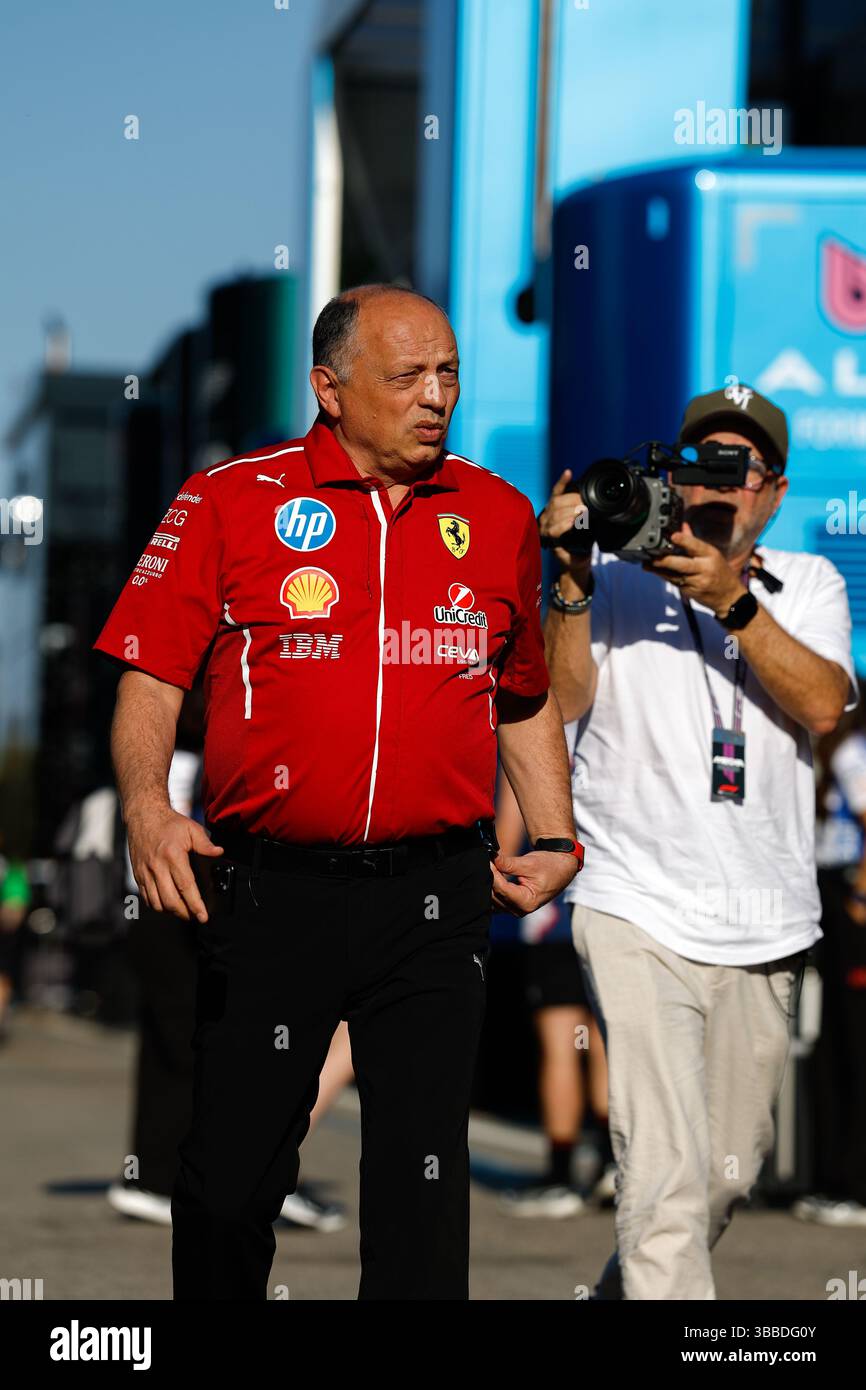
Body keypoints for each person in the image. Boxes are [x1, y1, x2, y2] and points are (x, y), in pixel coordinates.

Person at [94, 284, 581, 1301]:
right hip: (269, 889)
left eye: (447, 371)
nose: (435, 394)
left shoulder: (493, 515)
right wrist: (146, 805)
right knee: (230, 1179)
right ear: (328, 387)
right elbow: (151, 672)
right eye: (407, 375)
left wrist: (554, 833)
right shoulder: (228, 499)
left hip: (435, 893)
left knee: (418, 1183)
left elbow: (523, 693)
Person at [540, 383, 855, 1300]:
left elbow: (826, 704)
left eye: (739, 468)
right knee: (667, 1172)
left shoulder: (810, 584)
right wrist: (567, 584)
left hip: (766, 919)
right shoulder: (611, 580)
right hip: (634, 899)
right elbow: (561, 706)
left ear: (776, 490)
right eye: (698, 465)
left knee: (725, 1173)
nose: (717, 487)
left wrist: (734, 602)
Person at [495, 749, 611, 1219]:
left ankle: (561, 1175)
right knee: (607, 1041)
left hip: (555, 914)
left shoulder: (530, 738)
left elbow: (504, 833)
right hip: (615, 906)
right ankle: (610, 1165)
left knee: (561, 1045)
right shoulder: (614, 731)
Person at [793, 686, 866, 1227]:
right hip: (826, 899)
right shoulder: (832, 751)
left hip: (848, 906)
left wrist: (862, 892)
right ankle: (833, 1177)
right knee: (830, 1041)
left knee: (850, 1041)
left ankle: (850, 1183)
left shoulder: (848, 751)